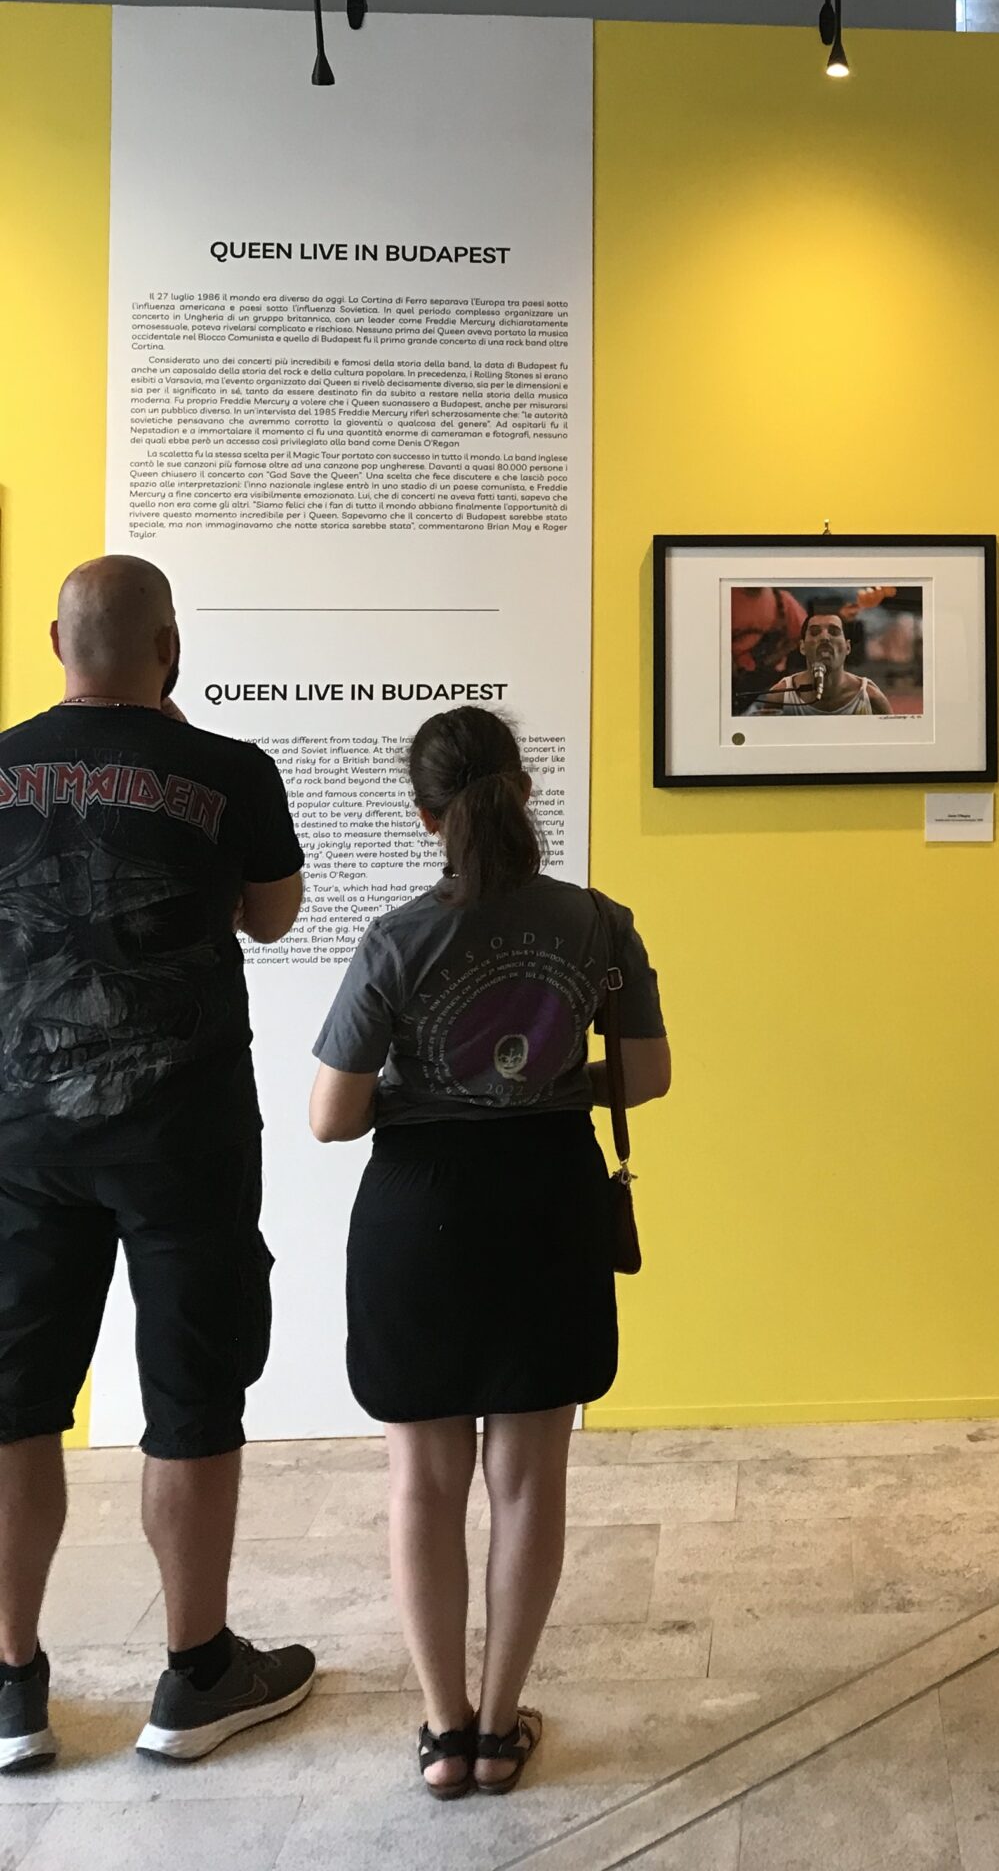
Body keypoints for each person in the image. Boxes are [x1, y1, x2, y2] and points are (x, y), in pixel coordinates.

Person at [308, 706, 669, 1799]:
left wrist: (430, 1088)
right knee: (528, 1477)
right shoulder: (600, 924)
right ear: (523, 791)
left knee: (423, 1483)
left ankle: (442, 1732)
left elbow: (331, 1115)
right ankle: (503, 1724)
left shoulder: (395, 938)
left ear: (427, 815)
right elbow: (645, 1075)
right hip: (548, 1199)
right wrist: (546, 1082)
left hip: (419, 1212)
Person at [0, 557, 312, 1772]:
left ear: (54, 641)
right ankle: (195, 1674)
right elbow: (275, 915)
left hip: (18, 1133)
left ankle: (13, 1683)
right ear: (169, 645)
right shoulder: (229, 769)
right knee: (191, 1400)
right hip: (181, 1132)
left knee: (14, 1404)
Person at [749, 606, 893, 717]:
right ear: (802, 647)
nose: (824, 637)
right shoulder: (780, 697)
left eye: (834, 632)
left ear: (847, 647)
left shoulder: (870, 698)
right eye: (815, 632)